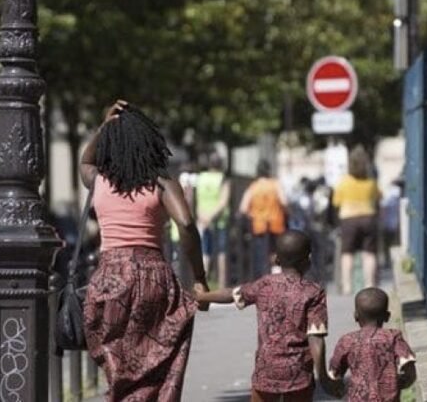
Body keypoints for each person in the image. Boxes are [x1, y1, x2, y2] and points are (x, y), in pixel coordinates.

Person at [79, 101, 208, 401]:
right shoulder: (162, 183)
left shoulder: (99, 181)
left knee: (121, 365)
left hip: (109, 277)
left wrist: (104, 127)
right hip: (153, 277)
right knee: (159, 355)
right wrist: (199, 277)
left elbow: (85, 161)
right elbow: (186, 224)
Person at [196, 231, 332, 402]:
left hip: (266, 370)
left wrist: (202, 297)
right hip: (299, 372)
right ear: (308, 260)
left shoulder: (264, 284)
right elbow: (316, 337)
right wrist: (323, 377)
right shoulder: (313, 292)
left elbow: (232, 294)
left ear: (276, 259)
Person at [327, 288, 417, 401]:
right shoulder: (393, 337)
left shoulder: (347, 341)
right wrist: (399, 384)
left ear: (356, 316)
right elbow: (409, 368)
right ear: (387, 316)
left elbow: (334, 373)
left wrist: (339, 389)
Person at [333, 147, 381, 294]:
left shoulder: (343, 182)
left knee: (347, 253)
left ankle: (347, 285)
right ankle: (369, 284)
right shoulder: (371, 183)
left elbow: (336, 202)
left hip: (348, 219)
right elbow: (378, 198)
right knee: (369, 253)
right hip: (368, 218)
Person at [239, 160, 288, 280]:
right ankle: (276, 278)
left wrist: (253, 215)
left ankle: (263, 280)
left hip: (259, 226)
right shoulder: (275, 185)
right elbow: (284, 202)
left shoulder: (253, 187)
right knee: (275, 254)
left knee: (261, 255)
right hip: (276, 225)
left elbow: (243, 208)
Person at [196, 154, 231, 288]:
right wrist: (212, 216)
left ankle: (203, 283)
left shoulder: (201, 178)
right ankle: (222, 283)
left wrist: (203, 217)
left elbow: (197, 199)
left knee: (205, 252)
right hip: (219, 221)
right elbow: (223, 202)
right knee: (222, 252)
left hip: (203, 220)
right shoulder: (223, 179)